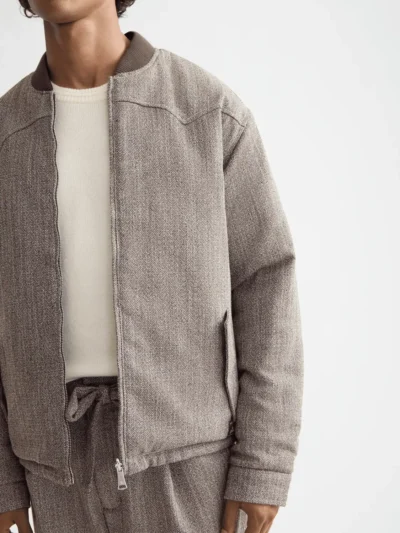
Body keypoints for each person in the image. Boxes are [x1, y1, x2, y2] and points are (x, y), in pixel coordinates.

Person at [0, 1, 304, 532]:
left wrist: (262, 465)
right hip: (52, 470)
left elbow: (266, 286)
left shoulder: (206, 112)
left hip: (189, 464)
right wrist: (2, 480)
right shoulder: (7, 134)